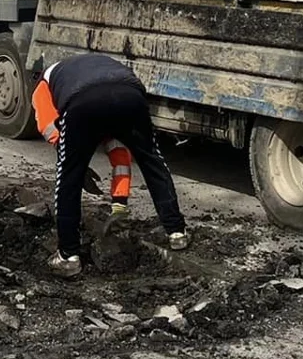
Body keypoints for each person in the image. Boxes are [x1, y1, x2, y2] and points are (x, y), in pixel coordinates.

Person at [37, 53, 188, 278]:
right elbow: (118, 148)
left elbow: (47, 125)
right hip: (131, 97)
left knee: (68, 178)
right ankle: (176, 232)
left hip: (83, 102)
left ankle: (68, 256)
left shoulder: (44, 83)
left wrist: (72, 159)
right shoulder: (100, 63)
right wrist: (120, 201)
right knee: (152, 161)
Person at [34, 78, 133, 213]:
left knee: (118, 150)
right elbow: (52, 130)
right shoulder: (45, 92)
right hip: (72, 98)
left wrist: (119, 205)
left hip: (98, 98)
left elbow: (121, 159)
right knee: (68, 164)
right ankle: (65, 213)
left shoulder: (114, 110)